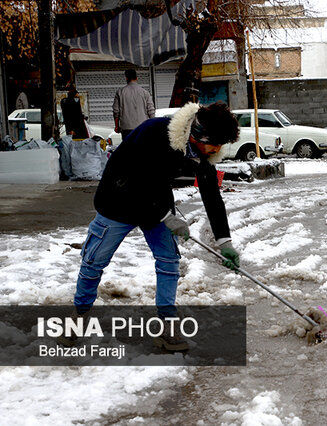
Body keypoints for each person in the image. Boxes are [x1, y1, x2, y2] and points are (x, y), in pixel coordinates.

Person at [65, 102, 240, 351]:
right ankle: (79, 316)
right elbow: (139, 178)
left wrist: (225, 242)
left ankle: (167, 326)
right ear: (197, 134)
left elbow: (211, 194)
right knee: (94, 261)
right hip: (119, 197)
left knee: (169, 261)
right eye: (215, 143)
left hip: (157, 203)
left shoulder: (204, 152)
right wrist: (167, 217)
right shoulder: (154, 132)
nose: (217, 149)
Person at [112, 69, 155, 140]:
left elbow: (116, 111)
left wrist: (117, 126)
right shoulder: (144, 92)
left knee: (129, 150)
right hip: (142, 127)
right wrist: (153, 126)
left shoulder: (120, 92)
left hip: (126, 128)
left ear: (126, 78)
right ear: (136, 78)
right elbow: (151, 111)